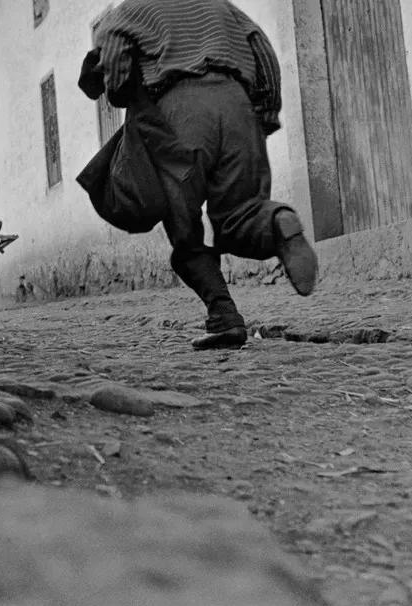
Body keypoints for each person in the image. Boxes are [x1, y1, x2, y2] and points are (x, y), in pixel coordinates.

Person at [82, 0, 318, 350]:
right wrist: (265, 113)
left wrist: (119, 93)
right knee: (242, 213)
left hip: (179, 115)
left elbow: (115, 62)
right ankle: (278, 222)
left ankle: (224, 315)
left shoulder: (128, 12)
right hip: (237, 106)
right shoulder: (222, 7)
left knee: (184, 229)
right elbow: (262, 49)